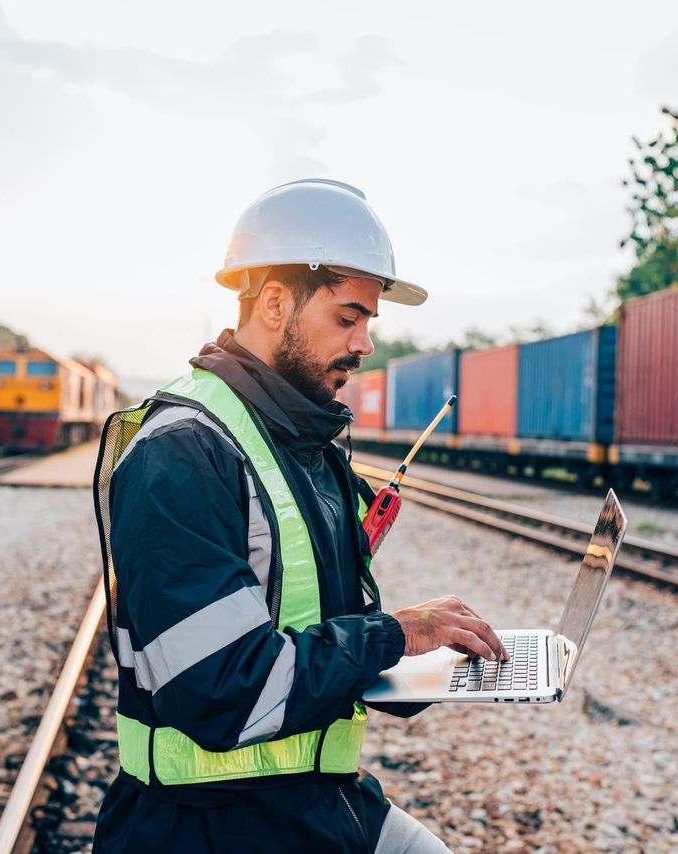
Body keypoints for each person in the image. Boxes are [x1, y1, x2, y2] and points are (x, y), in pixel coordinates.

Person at [92, 179, 507, 853]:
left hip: (314, 804)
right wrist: (391, 636)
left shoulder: (304, 446)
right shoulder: (183, 452)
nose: (365, 343)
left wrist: (427, 659)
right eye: (347, 318)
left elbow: (314, 633)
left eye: (369, 322)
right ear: (275, 302)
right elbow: (220, 690)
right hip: (211, 827)